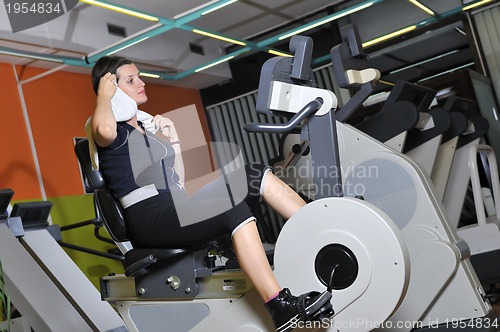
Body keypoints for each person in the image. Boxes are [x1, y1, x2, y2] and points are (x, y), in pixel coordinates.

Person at [89, 55, 332, 332]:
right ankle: (279, 308)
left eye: (139, 76)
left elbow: (178, 180)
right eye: (131, 80)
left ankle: (318, 233)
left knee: (252, 173)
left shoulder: (146, 130)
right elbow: (103, 128)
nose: (141, 83)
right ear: (112, 88)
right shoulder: (113, 133)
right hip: (149, 217)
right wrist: (103, 96)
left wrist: (174, 139)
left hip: (175, 206)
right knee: (231, 209)